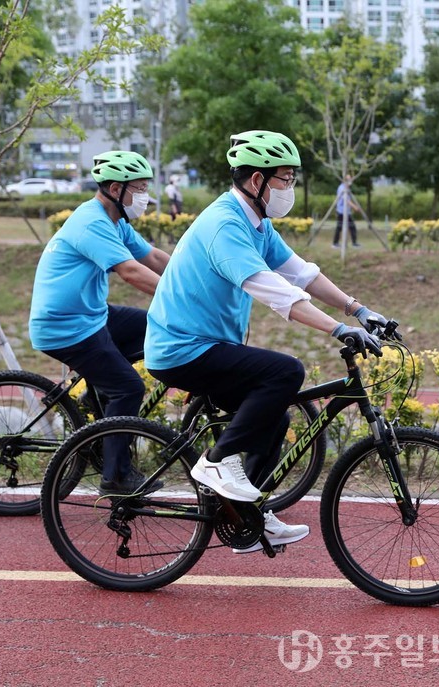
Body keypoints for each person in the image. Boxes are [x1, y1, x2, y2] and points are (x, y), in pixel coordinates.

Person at [144, 130, 396, 553]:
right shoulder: (225, 224)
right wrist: (338, 329)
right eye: (284, 178)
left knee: (275, 417)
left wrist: (359, 309)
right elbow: (279, 293)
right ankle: (217, 462)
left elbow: (301, 273)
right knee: (286, 371)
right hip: (181, 349)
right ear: (256, 180)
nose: (289, 188)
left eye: (292, 179)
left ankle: (249, 517)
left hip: (208, 345)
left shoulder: (254, 222)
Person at [29, 150, 171, 494]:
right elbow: (131, 271)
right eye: (138, 188)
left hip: (92, 315)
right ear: (113, 188)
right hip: (66, 326)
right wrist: (178, 299)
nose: (144, 196)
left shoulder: (115, 222)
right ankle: (116, 476)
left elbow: (151, 257)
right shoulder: (91, 222)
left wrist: (196, 281)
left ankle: (96, 405)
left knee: (156, 326)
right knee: (128, 387)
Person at [332, 174, 361, 248]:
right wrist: (355, 207)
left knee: (351, 227)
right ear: (344, 180)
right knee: (340, 227)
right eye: (348, 179)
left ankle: (354, 243)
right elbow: (346, 200)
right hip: (341, 211)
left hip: (347, 212)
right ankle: (335, 244)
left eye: (350, 179)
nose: (350, 181)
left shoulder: (347, 188)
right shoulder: (342, 188)